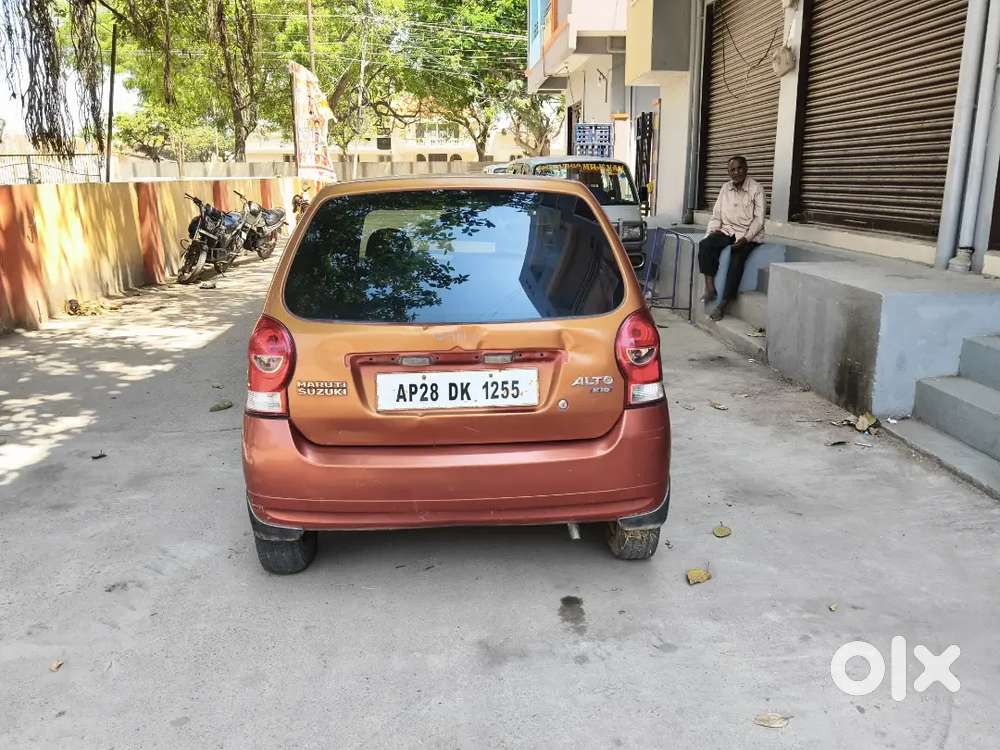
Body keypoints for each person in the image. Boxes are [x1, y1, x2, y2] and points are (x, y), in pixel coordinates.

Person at [698, 156, 766, 321]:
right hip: (727, 231)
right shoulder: (725, 188)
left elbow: (759, 219)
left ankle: (724, 304)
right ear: (728, 172)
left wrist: (746, 239)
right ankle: (710, 289)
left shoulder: (756, 189)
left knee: (737, 259)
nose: (737, 172)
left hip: (748, 234)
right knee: (705, 245)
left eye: (740, 168)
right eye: (733, 170)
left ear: (746, 168)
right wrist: (712, 233)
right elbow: (716, 215)